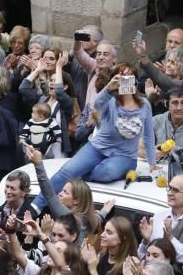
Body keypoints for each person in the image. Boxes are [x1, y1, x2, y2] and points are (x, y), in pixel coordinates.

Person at [48, 62, 156, 193]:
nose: (126, 81)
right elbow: (97, 105)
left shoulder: (144, 104)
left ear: (135, 81)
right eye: (122, 77)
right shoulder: (109, 99)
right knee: (67, 171)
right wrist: (109, 88)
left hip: (124, 157)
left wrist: (152, 162)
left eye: (130, 77)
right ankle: (37, 205)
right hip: (97, 148)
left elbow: (148, 135)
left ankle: (80, 176)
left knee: (107, 171)